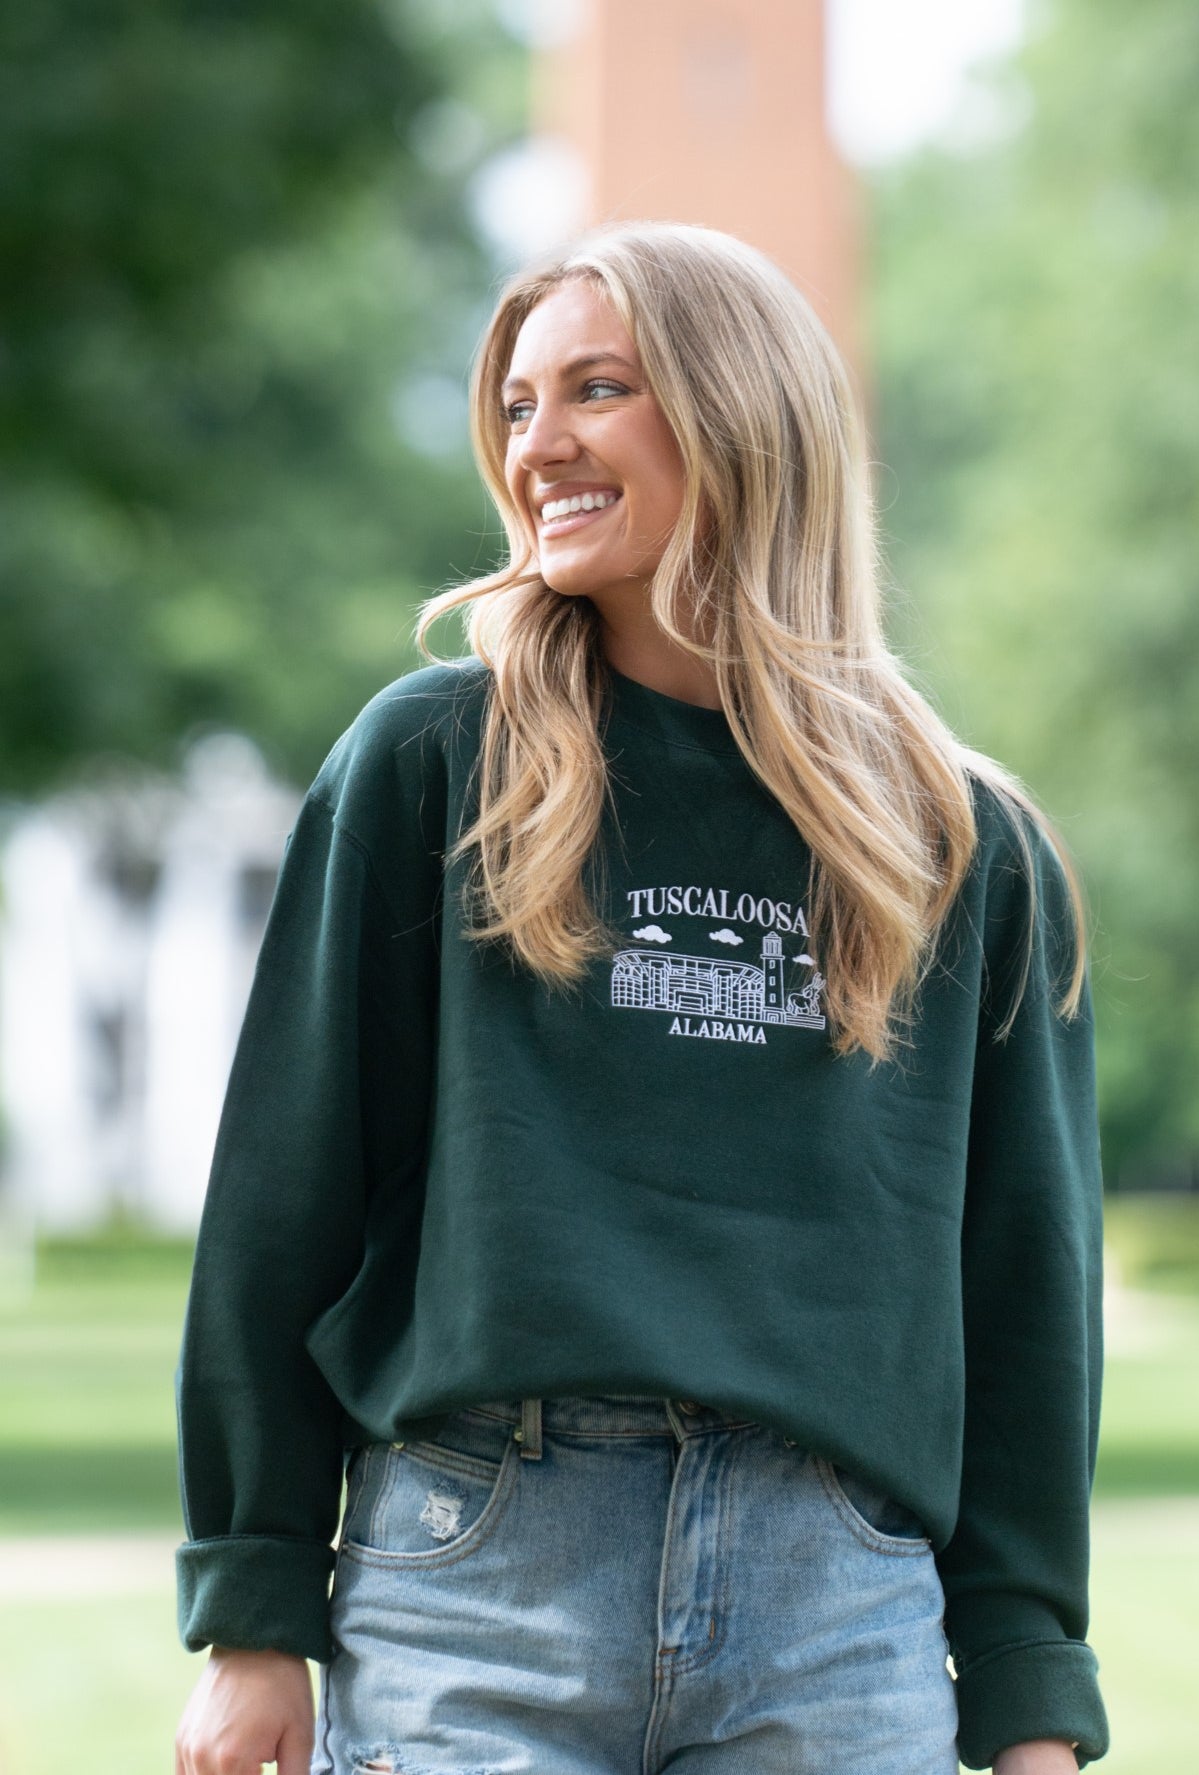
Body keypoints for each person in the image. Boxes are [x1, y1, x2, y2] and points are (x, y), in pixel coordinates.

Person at [173, 221, 1110, 1775]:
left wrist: (1028, 1690)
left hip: (840, 1611)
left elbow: (1023, 1290)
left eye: (595, 391)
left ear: (741, 416)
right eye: (520, 406)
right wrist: (255, 1608)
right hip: (478, 1580)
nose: (539, 446)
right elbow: (284, 1200)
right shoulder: (435, 763)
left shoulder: (960, 843)